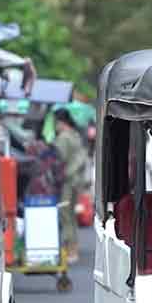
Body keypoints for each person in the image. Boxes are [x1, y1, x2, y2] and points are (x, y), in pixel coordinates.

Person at [53, 108, 88, 264]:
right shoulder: (75, 135)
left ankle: (70, 250)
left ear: (61, 122)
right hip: (76, 181)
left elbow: (59, 158)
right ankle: (74, 248)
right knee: (71, 215)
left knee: (65, 214)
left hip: (67, 182)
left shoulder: (64, 137)